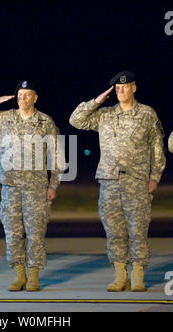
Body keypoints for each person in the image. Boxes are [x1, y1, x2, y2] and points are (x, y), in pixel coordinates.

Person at [69, 71, 166, 292]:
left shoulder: (147, 115)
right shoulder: (104, 115)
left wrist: (154, 177)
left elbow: (157, 148)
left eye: (125, 86)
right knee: (114, 230)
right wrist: (96, 101)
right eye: (117, 88)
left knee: (138, 229)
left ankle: (138, 272)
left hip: (137, 180)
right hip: (109, 181)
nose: (121, 90)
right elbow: (75, 120)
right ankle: (120, 273)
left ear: (134, 87)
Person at [0, 81, 64, 291]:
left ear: (35, 98)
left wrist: (53, 185)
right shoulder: (5, 118)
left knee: (35, 232)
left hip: (36, 187)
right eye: (20, 95)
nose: (22, 99)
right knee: (12, 232)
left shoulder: (45, 122)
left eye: (27, 95)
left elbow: (57, 155)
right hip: (11, 186)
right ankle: (19, 274)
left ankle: (33, 274)